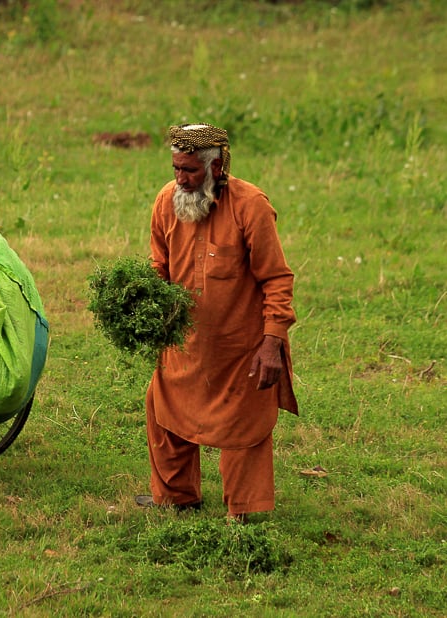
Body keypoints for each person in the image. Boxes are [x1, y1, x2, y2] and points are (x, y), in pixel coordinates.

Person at [136, 123, 298, 521]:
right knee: (164, 409)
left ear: (217, 168)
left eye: (190, 171)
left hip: (240, 348)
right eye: (176, 168)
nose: (180, 180)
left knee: (242, 428)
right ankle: (177, 498)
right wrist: (144, 304)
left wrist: (272, 341)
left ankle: (241, 512)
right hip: (184, 342)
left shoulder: (251, 206)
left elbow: (277, 279)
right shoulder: (166, 202)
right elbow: (159, 265)